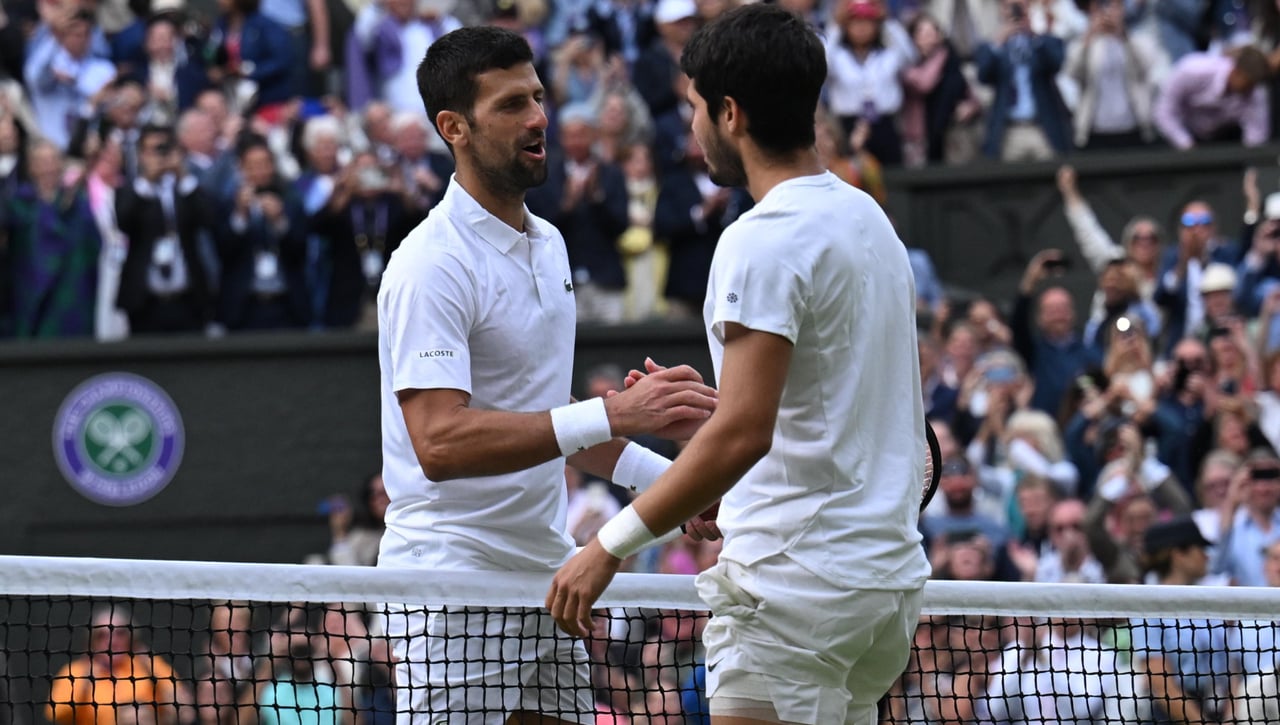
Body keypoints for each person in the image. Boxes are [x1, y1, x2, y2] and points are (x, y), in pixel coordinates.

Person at [547, 5, 932, 724]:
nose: (692, 128)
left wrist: (607, 545)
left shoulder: (760, 238)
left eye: (695, 108)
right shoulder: (869, 219)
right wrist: (711, 435)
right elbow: (816, 410)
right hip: (882, 595)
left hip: (795, 593)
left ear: (730, 113)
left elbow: (746, 432)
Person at [376, 25, 719, 724]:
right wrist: (615, 413)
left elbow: (544, 417)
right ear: (453, 128)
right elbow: (438, 442)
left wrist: (674, 485)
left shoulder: (551, 242)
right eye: (510, 105)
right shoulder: (429, 265)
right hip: (454, 588)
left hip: (549, 577)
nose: (538, 117)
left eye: (537, 97)